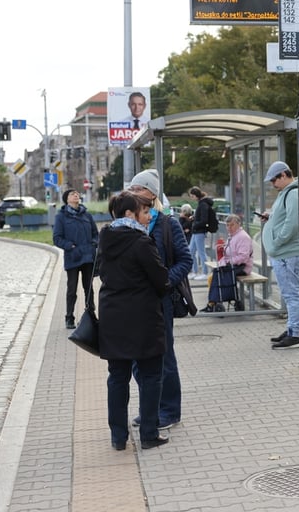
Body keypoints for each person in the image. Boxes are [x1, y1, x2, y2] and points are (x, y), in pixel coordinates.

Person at [97, 189, 170, 451]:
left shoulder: (105, 238)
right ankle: (149, 434)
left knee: (117, 377)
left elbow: (100, 273)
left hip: (112, 317)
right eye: (145, 211)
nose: (149, 215)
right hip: (143, 318)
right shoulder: (141, 242)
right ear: (130, 213)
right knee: (151, 376)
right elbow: (161, 280)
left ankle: (118, 437)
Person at [128, 169, 192, 432]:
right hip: (135, 301)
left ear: (150, 194)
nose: (131, 192)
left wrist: (165, 282)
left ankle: (169, 411)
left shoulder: (167, 224)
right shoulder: (129, 221)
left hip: (160, 300)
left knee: (164, 356)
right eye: (130, 189)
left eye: (137, 188)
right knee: (137, 357)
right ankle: (149, 408)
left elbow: (185, 260)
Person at [261, 161, 299, 349]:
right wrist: (271, 217)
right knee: (288, 294)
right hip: (283, 253)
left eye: (274, 180)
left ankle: (295, 334)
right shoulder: (286, 194)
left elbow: (292, 223)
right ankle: (291, 329)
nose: (273, 184)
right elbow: (285, 217)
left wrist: (277, 241)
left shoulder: (293, 193)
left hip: (287, 252)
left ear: (284, 175)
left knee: (292, 294)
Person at [52, 189, 99, 329]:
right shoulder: (61, 216)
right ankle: (69, 317)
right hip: (73, 257)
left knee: (88, 288)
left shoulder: (87, 215)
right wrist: (70, 246)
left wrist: (93, 244)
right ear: (67, 199)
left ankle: (91, 314)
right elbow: (57, 238)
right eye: (73, 194)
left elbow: (95, 234)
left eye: (77, 194)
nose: (76, 195)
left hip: (88, 257)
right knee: (72, 289)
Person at [205, 213, 252, 312]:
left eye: (232, 225)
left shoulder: (243, 237)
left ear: (238, 224)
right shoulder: (232, 236)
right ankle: (213, 301)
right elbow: (229, 253)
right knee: (214, 274)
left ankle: (213, 302)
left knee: (215, 275)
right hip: (233, 265)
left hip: (242, 267)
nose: (229, 227)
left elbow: (243, 257)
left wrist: (227, 262)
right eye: (227, 225)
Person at [188, 186, 213, 280]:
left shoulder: (203, 205)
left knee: (201, 252)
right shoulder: (201, 204)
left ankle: (205, 272)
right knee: (191, 251)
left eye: (192, 196)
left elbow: (204, 220)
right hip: (196, 231)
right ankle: (195, 271)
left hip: (199, 231)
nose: (191, 198)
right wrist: (194, 218)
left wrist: (195, 224)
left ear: (196, 195)